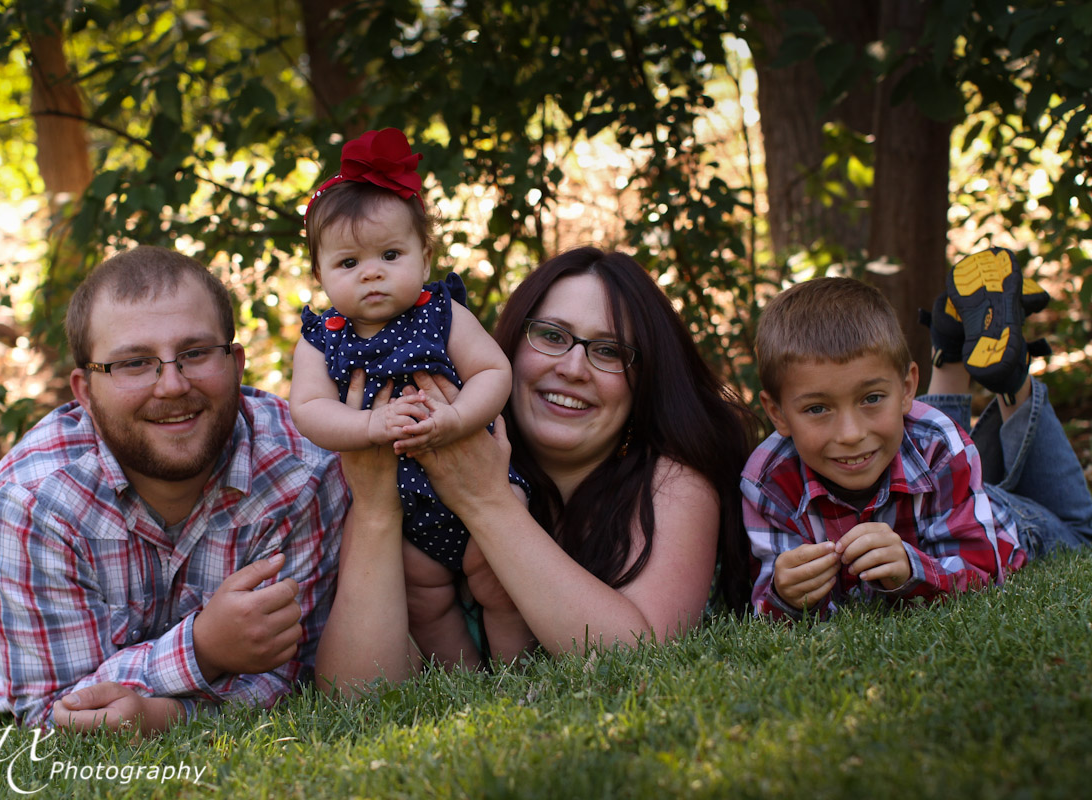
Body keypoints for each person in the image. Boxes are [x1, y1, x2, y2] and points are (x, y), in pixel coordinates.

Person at [0, 246, 347, 731]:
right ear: (85, 391)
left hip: (92, 636)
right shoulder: (30, 497)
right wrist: (202, 649)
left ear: (236, 364)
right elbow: (55, 712)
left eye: (194, 353)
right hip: (1, 647)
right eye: (133, 363)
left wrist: (159, 711)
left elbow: (289, 675)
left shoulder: (303, 471)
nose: (171, 385)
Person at [314, 247, 756, 695]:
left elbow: (643, 663)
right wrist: (374, 508)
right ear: (508, 345)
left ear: (646, 377)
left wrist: (486, 500)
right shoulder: (416, 472)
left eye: (609, 350)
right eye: (551, 336)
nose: (572, 368)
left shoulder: (672, 484)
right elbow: (352, 696)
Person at [744, 248, 1092, 620]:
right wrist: (785, 595)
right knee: (919, 436)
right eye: (817, 409)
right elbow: (768, 608)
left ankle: (1011, 379)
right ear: (777, 413)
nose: (850, 434)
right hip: (950, 489)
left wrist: (912, 571)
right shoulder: (766, 481)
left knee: (1082, 535)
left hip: (1008, 519)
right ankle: (950, 346)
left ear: (908, 386)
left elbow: (982, 568)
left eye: (871, 398)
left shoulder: (940, 444)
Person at [289, 127, 529, 667]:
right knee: (423, 600)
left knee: (501, 582)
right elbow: (308, 410)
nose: (371, 272)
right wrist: (369, 429)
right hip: (398, 503)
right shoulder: (321, 337)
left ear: (424, 258)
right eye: (348, 264)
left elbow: (494, 370)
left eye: (390, 254)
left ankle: (520, 675)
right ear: (320, 275)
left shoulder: (441, 314)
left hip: (479, 479)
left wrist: (459, 419)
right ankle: (463, 684)